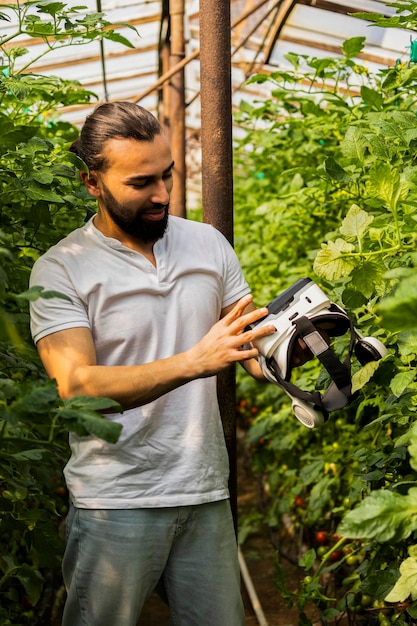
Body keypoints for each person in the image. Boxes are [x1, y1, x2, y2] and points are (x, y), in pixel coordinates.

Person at [29, 101, 276, 626]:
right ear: (92, 182)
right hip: (114, 499)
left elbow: (248, 343)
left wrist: (303, 345)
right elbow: (78, 386)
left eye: (167, 175)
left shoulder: (207, 244)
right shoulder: (62, 268)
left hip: (205, 490)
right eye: (141, 182)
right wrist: (192, 361)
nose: (162, 194)